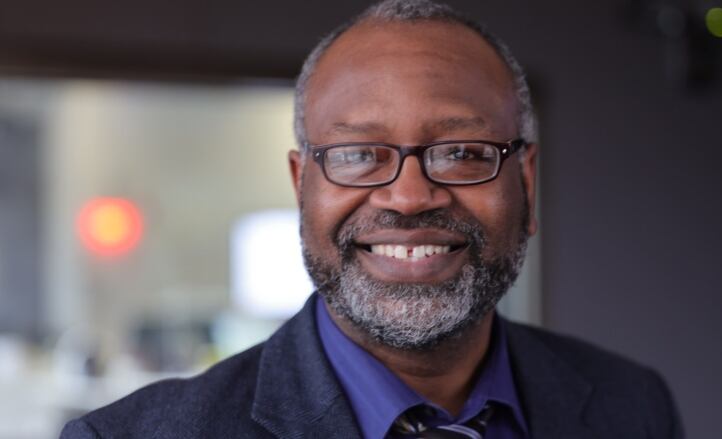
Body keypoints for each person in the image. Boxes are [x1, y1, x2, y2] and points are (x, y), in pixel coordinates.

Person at [61, 0, 684, 438]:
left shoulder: (632, 406)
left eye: (462, 153)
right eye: (359, 155)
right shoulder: (132, 437)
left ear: (525, 183)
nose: (410, 197)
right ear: (302, 186)